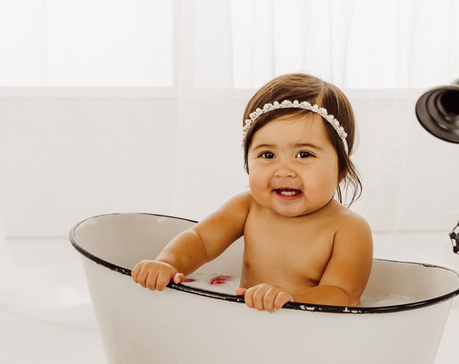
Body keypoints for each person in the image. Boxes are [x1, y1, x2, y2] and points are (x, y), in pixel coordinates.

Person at [131, 73, 373, 312]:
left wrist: (291, 299)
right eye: (268, 155)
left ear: (341, 169)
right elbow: (200, 241)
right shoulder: (247, 207)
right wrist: (167, 263)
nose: (284, 170)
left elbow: (343, 294)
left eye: (304, 154)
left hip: (311, 334)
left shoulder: (348, 229)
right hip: (249, 328)